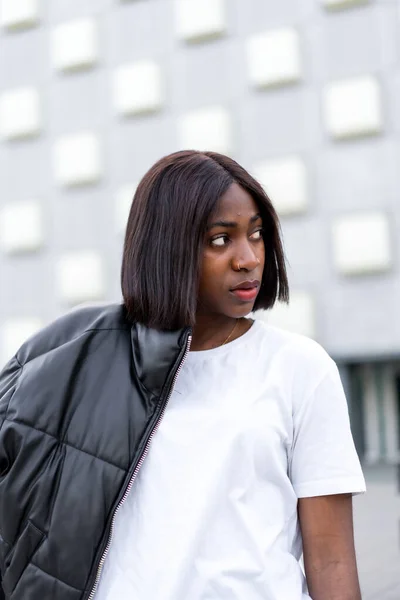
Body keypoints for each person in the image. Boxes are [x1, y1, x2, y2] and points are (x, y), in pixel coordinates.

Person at [0, 150, 365, 600]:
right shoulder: (88, 362)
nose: (248, 258)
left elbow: (331, 560)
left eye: (256, 234)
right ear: (166, 246)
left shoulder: (301, 369)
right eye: (219, 240)